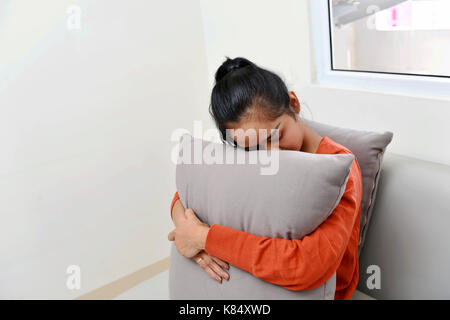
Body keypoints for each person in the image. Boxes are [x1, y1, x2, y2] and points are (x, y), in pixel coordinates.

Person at [168, 57, 362, 300]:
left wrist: (204, 238)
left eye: (275, 136)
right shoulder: (250, 155)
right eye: (254, 148)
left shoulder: (339, 167)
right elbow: (184, 196)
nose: (272, 156)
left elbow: (307, 266)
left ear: (294, 103)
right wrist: (189, 232)